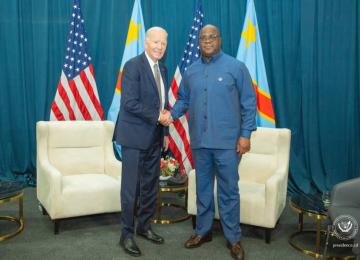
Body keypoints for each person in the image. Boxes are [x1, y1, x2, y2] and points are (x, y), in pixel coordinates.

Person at [163, 24, 257, 260]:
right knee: (202, 190)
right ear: (198, 42)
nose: (207, 40)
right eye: (203, 37)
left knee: (229, 191)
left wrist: (245, 134)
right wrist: (170, 115)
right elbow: (183, 100)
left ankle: (233, 238)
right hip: (200, 143)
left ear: (220, 40)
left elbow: (248, 102)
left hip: (228, 144)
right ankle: (203, 232)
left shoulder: (236, 67)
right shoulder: (191, 71)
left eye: (212, 37)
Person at [114, 26, 170, 257]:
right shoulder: (133, 66)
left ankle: (144, 226)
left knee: (149, 187)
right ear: (146, 42)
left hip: (155, 137)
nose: (159, 46)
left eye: (163, 44)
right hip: (134, 138)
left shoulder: (163, 69)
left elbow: (161, 104)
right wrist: (159, 117)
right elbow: (129, 103)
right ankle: (126, 235)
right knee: (131, 190)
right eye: (155, 42)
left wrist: (164, 132)